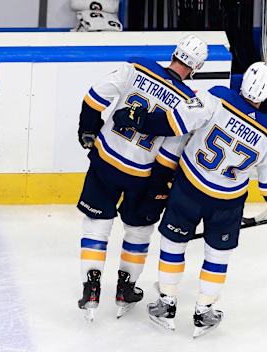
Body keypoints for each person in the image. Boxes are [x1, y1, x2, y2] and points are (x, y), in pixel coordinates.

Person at [113, 62, 267, 337]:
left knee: (173, 243)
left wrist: (139, 120)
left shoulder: (216, 97)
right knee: (218, 255)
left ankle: (166, 303)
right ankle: (204, 310)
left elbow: (175, 122)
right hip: (227, 202)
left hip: (189, 189)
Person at [76, 34, 208, 321]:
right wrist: (159, 189)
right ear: (197, 66)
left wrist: (88, 129)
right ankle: (126, 288)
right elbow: (168, 155)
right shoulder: (189, 103)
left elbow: (94, 96)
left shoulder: (136, 68)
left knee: (96, 226)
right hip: (141, 175)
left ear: (175, 53)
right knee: (137, 232)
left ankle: (92, 286)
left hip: (105, 162)